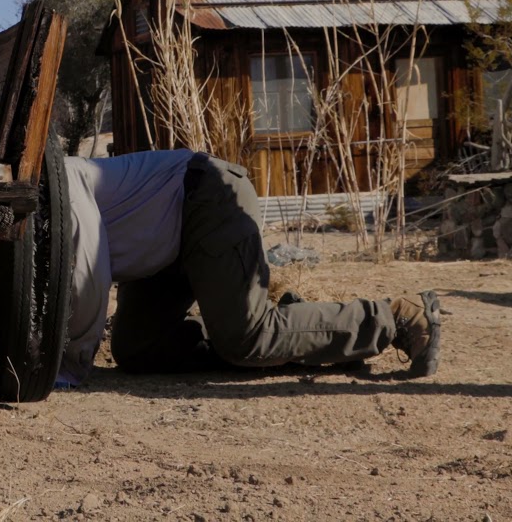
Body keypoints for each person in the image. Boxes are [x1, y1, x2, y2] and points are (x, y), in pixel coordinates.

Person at [56, 149, 442, 386]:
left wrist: (68, 364)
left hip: (205, 199)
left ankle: (397, 317)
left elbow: (87, 276)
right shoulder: (50, 189)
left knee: (248, 337)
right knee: (139, 349)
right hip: (163, 244)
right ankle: (312, 335)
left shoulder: (62, 185)